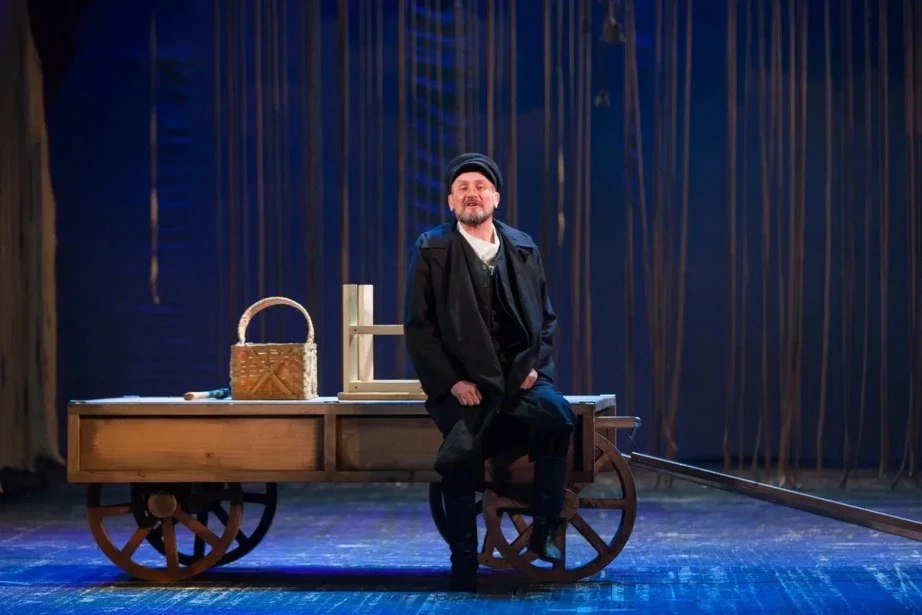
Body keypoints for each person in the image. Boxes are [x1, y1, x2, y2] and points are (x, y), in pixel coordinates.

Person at [403, 152, 575, 592]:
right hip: (466, 386)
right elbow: (420, 328)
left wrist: (533, 367)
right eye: (462, 188)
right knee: (460, 456)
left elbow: (546, 319)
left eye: (480, 186)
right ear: (450, 201)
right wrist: (452, 382)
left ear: (496, 197)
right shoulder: (433, 249)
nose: (472, 194)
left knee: (557, 417)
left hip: (519, 379)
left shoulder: (522, 247)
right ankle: (463, 561)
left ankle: (545, 530)